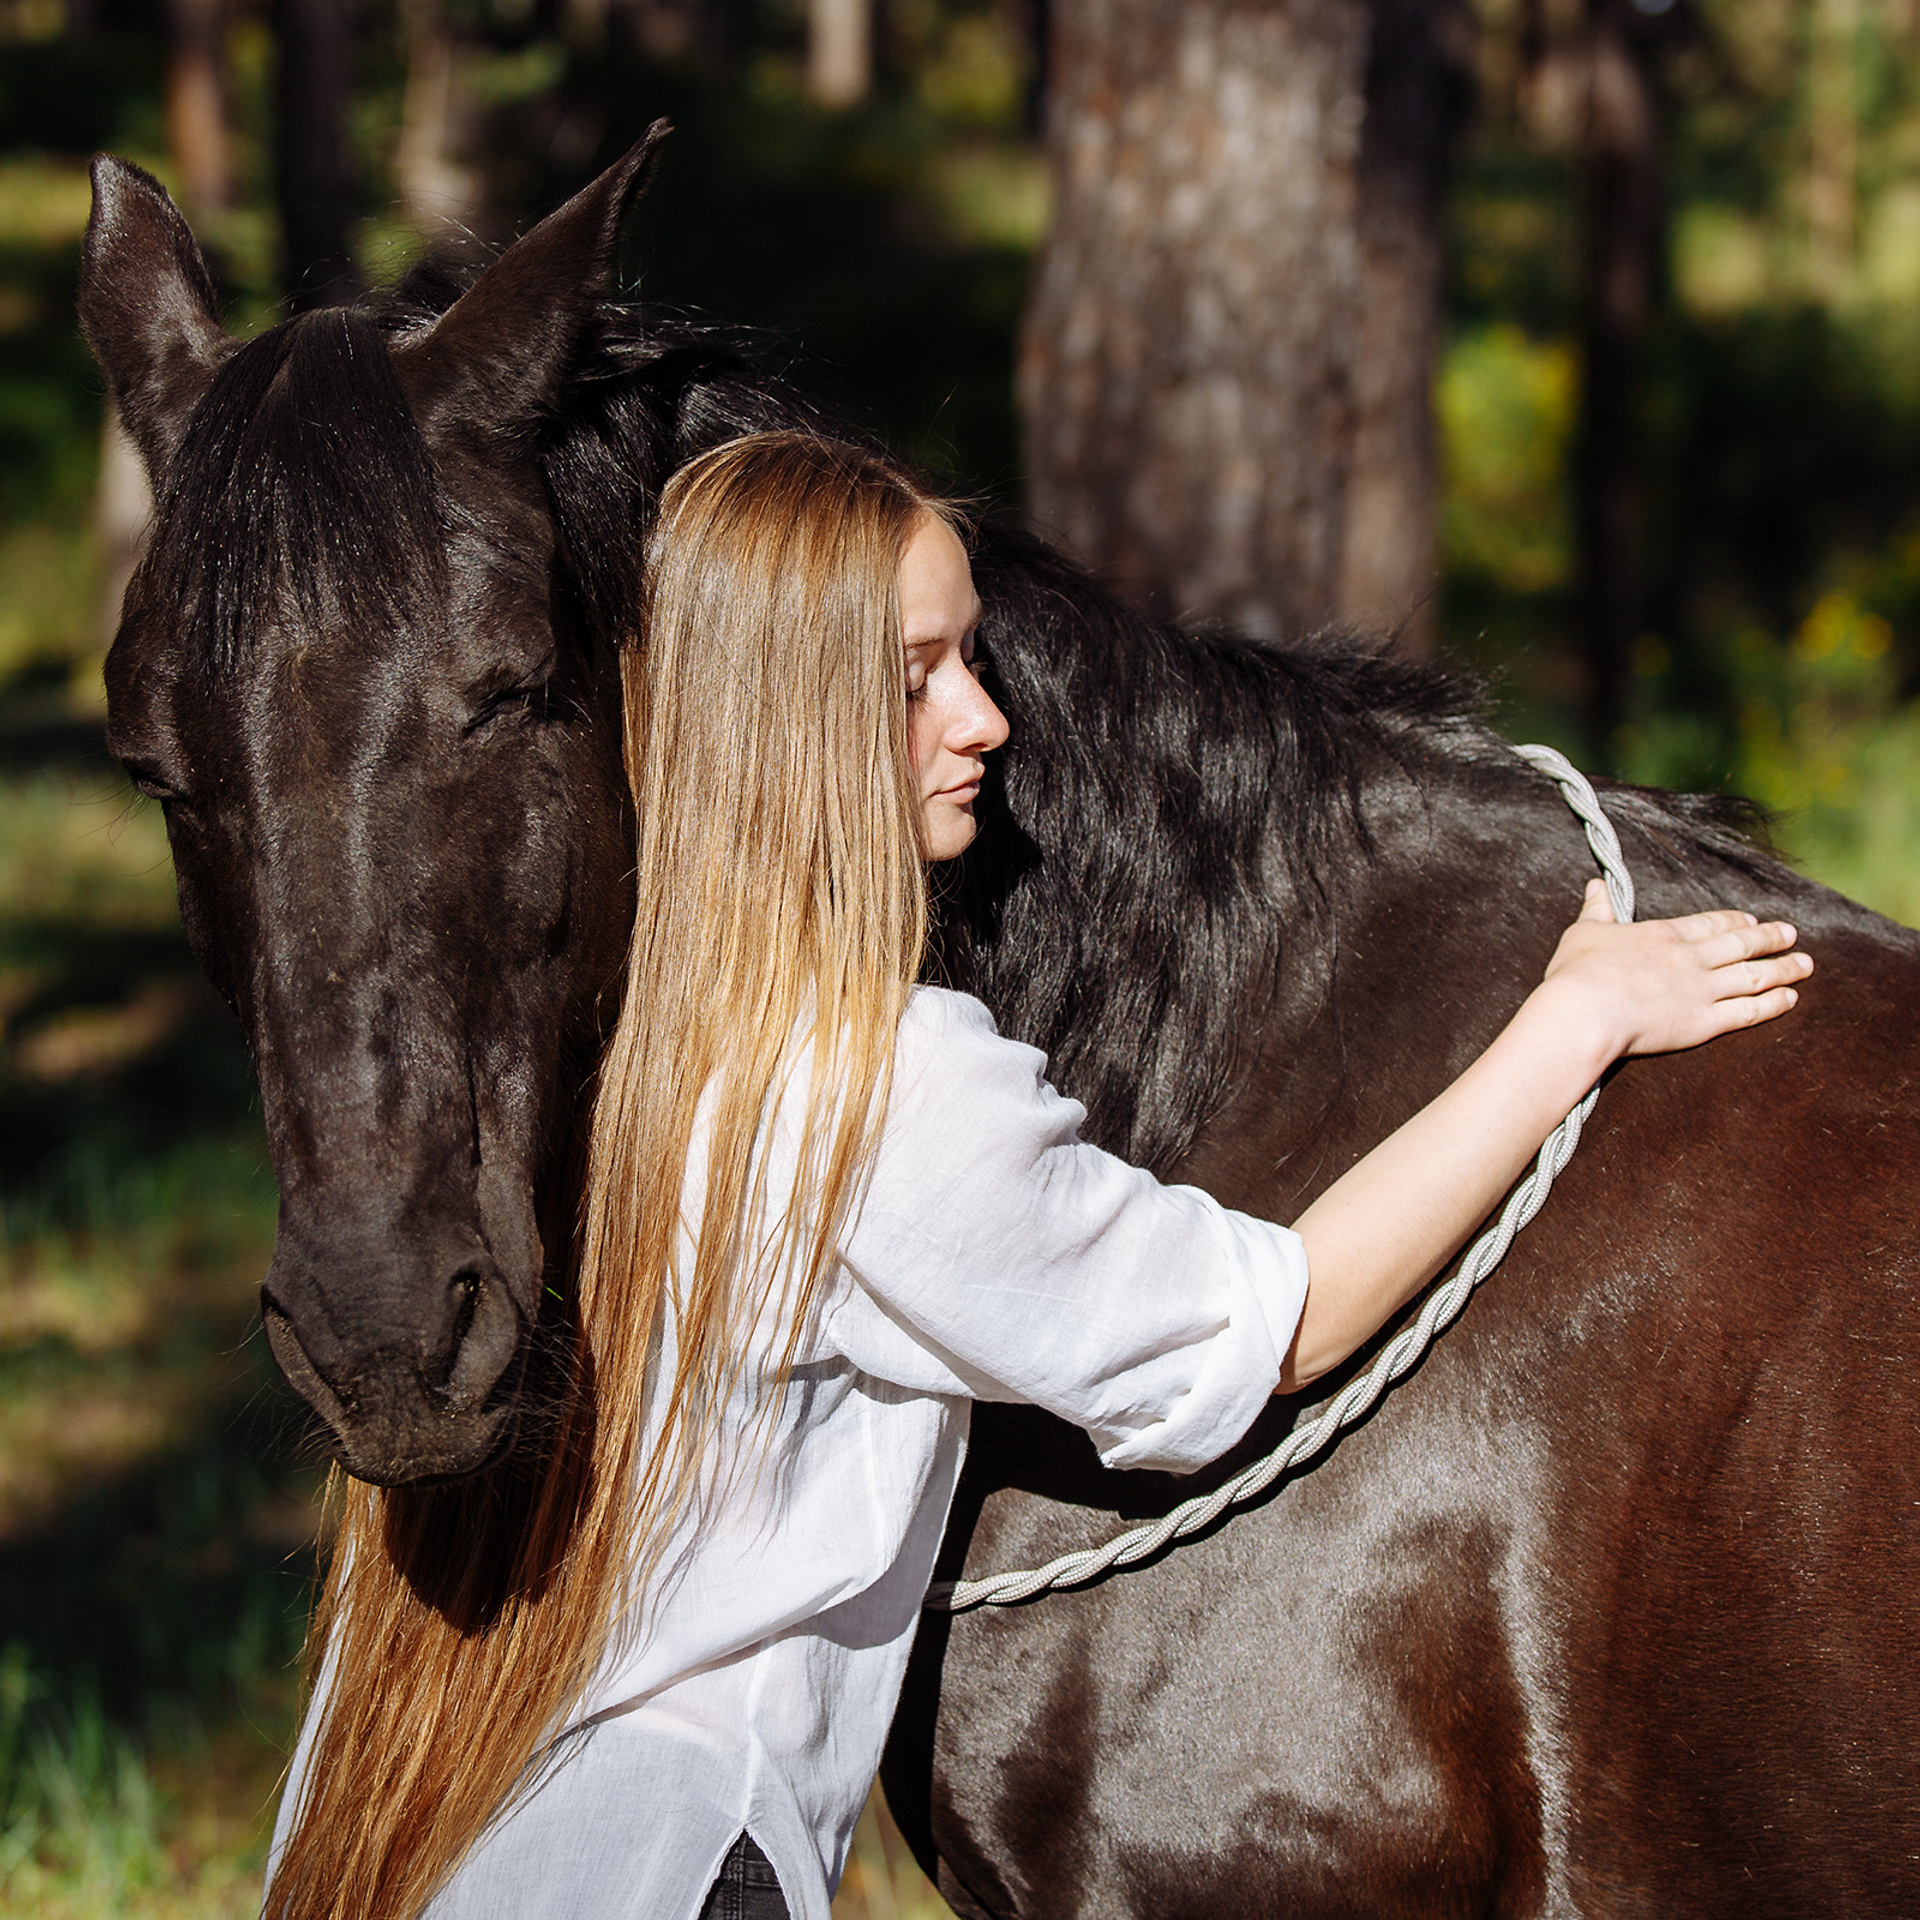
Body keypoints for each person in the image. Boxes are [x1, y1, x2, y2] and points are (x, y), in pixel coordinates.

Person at [265, 431, 1809, 1920]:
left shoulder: (611, 1045)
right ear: (782, 723)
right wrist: (1575, 1017)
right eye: (913, 678)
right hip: (671, 1863)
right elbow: (1273, 1327)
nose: (987, 722)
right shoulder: (870, 1082)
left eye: (972, 658)